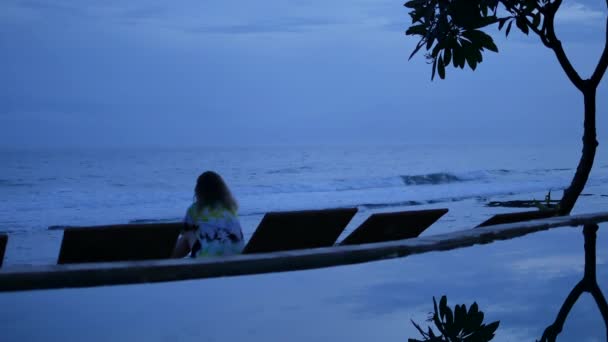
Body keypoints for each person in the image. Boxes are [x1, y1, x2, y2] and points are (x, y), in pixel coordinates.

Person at [172, 171, 245, 258]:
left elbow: (183, 231)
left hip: (207, 257)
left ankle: (168, 261)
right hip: (237, 257)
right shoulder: (230, 208)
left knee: (188, 234)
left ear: (199, 190)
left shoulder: (196, 208)